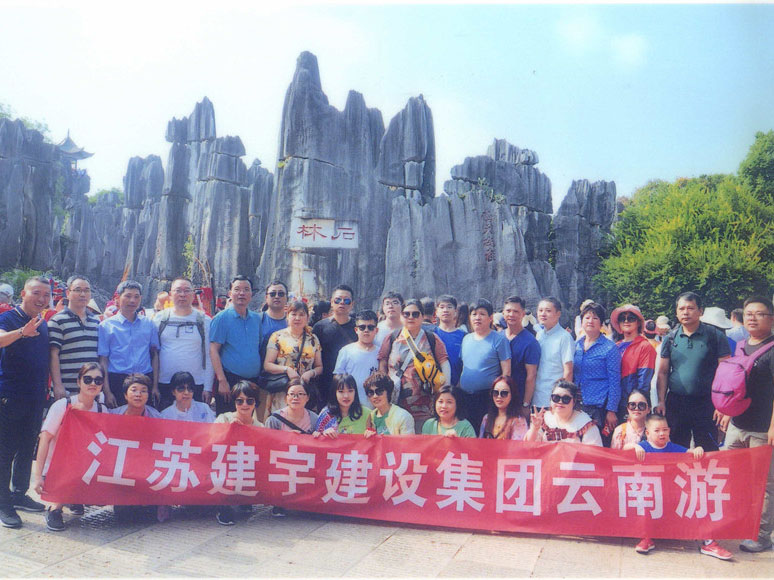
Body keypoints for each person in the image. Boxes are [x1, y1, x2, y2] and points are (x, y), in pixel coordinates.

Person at [625, 414, 732, 560]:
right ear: (648, 433)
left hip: (674, 493)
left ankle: (709, 542)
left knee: (699, 502)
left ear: (669, 431)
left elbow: (690, 453)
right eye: (657, 430)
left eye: (665, 430)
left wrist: (698, 449)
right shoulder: (644, 447)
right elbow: (625, 448)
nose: (662, 433)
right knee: (645, 501)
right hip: (652, 494)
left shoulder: (672, 447)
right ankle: (646, 538)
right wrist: (635, 446)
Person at [720, 296, 774, 553]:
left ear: (771, 319)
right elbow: (735, 384)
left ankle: (762, 535)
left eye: (759, 314)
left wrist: (773, 426)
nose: (752, 318)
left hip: (762, 428)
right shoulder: (741, 346)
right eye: (749, 313)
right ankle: (739, 522)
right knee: (732, 476)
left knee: (764, 484)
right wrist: (727, 411)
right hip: (737, 424)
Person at [0, 276, 51, 528]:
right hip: (10, 396)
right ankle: (3, 502)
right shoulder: (8, 318)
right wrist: (22, 332)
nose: (41, 299)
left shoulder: (43, 322)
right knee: (5, 451)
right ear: (23, 293)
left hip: (36, 397)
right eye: (36, 293)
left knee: (26, 448)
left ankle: (19, 493)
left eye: (46, 295)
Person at [32, 363, 107, 531]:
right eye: (87, 379)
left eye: (98, 380)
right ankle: (54, 509)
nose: (93, 384)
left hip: (85, 467)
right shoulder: (62, 405)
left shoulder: (102, 410)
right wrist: (38, 477)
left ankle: (74, 497)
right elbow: (44, 440)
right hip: (57, 466)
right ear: (79, 381)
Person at [655, 292, 730, 451]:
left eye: (690, 308)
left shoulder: (715, 336)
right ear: (676, 313)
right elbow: (663, 372)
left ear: (700, 311)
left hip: (706, 403)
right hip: (677, 403)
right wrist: (661, 401)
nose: (685, 312)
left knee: (708, 448)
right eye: (681, 309)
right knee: (676, 448)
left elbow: (726, 374)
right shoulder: (670, 338)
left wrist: (722, 406)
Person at [378, 299, 450, 432]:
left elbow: (444, 362)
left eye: (415, 314)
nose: (411, 317)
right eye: (406, 314)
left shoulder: (432, 338)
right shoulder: (392, 337)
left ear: (422, 316)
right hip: (395, 403)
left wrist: (444, 392)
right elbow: (382, 362)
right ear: (401, 316)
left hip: (425, 406)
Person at [154, 277, 214, 409]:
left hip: (195, 384)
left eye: (187, 290)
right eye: (178, 291)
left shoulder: (204, 321)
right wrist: (154, 386)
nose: (182, 294)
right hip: (165, 382)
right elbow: (153, 354)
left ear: (193, 294)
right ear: (170, 294)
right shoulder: (159, 319)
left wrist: (208, 387)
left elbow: (210, 356)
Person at [98, 280, 160, 407]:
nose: (132, 300)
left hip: (144, 380)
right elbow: (103, 360)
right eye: (128, 296)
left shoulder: (149, 324)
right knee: (117, 417)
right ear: (117, 298)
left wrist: (155, 386)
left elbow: (154, 355)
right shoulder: (106, 326)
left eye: (136, 297)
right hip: (117, 380)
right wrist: (107, 392)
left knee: (143, 417)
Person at [265, 378, 319, 517]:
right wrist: (285, 439)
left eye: (300, 394)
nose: (296, 398)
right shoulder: (274, 420)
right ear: (286, 398)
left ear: (307, 398)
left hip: (305, 463)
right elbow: (266, 446)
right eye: (292, 394)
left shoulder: (314, 419)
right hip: (282, 463)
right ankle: (278, 502)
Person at [209, 275, 262, 416]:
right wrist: (222, 380)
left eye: (246, 289)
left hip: (253, 382)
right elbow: (213, 350)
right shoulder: (221, 318)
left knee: (249, 422)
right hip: (230, 381)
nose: (241, 293)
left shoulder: (256, 319)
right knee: (228, 421)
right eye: (237, 289)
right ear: (230, 293)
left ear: (251, 294)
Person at [213, 381, 263, 526]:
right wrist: (228, 430)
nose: (244, 405)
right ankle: (223, 507)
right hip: (224, 466)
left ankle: (244, 498)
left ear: (255, 403)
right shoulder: (224, 418)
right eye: (240, 401)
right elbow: (211, 442)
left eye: (249, 401)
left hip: (245, 467)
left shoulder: (260, 426)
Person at [459, 299, 511, 433]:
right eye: (474, 314)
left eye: (482, 314)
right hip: (465, 397)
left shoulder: (499, 340)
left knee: (485, 434)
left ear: (490, 318)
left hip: (487, 397)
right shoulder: (466, 339)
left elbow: (506, 372)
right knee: (468, 434)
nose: (477, 318)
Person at [263, 300, 322, 416]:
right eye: (294, 314)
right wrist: (287, 370)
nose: (297, 318)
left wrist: (311, 373)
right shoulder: (277, 337)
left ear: (307, 317)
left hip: (304, 391)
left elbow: (319, 366)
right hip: (283, 391)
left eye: (301, 314)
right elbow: (267, 365)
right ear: (287, 316)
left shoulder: (313, 338)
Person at [573, 302, 621, 443]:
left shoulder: (609, 348)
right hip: (576, 404)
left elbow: (615, 381)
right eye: (587, 318)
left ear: (601, 323)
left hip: (598, 406)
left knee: (595, 444)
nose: (590, 321)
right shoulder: (576, 345)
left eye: (595, 318)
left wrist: (611, 410)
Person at [48, 275, 100, 401]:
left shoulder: (96, 321)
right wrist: (58, 385)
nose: (83, 294)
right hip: (67, 390)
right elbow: (53, 354)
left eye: (86, 290)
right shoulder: (57, 321)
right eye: (78, 290)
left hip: (92, 389)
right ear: (68, 293)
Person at [610, 304, 656, 422]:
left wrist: (636, 407)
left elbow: (644, 382)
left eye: (631, 318)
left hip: (631, 406)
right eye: (622, 318)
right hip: (613, 404)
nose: (626, 321)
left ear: (638, 322)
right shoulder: (615, 346)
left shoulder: (645, 346)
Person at [313, 285, 357, 403]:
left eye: (346, 300)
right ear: (332, 302)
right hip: (325, 384)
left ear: (352, 304)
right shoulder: (319, 327)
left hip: (351, 384)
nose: (342, 303)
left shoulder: (359, 327)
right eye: (338, 300)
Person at [524, 380, 602, 446]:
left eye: (566, 399)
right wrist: (534, 428)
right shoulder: (542, 419)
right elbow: (529, 447)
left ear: (574, 401)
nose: (560, 402)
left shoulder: (586, 424)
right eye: (556, 398)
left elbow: (593, 454)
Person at [500, 296, 540, 417]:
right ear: (503, 313)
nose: (511, 314)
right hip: (497, 397)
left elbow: (531, 376)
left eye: (516, 311)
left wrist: (526, 404)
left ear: (523, 314)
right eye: (508, 311)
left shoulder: (530, 342)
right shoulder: (497, 337)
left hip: (518, 398)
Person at [333, 310, 380, 409]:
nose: (366, 330)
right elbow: (338, 379)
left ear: (376, 330)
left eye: (370, 327)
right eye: (362, 327)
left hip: (374, 407)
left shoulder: (381, 353)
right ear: (356, 330)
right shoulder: (346, 351)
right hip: (350, 406)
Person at [534, 297, 574, 409]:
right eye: (540, 310)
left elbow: (568, 371)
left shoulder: (564, 337)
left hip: (554, 399)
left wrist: (562, 400)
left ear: (558, 314)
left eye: (548, 310)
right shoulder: (539, 335)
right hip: (536, 397)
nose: (543, 314)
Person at [363, 372, 415, 436]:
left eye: (379, 391)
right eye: (370, 393)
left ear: (388, 392)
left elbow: (407, 442)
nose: (375, 396)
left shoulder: (403, 416)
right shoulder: (370, 417)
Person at [479, 376, 528, 440]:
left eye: (504, 393)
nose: (499, 396)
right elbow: (480, 442)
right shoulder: (486, 418)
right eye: (495, 392)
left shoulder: (518, 420)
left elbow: (517, 445)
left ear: (512, 395)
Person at [435, 295, 466, 388]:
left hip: (457, 386)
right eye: (442, 307)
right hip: (434, 386)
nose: (445, 310)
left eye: (449, 307)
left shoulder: (464, 336)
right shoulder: (431, 334)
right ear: (436, 312)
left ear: (455, 311)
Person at [258, 280, 289, 363]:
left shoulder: (293, 322)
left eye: (281, 294)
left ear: (287, 297)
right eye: (272, 294)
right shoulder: (257, 320)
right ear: (266, 297)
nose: (277, 296)